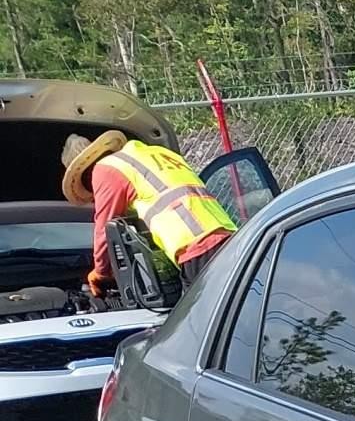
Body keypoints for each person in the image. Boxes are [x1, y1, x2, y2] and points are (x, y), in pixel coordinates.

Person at [60, 129, 237, 300]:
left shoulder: (104, 169)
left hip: (196, 246)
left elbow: (104, 228)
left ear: (86, 174)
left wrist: (100, 272)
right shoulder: (155, 154)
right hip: (230, 236)